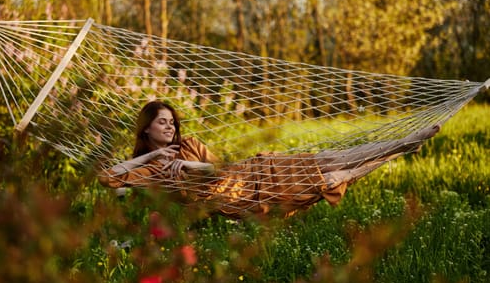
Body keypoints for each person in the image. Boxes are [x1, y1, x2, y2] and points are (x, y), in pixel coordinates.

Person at [98, 101, 440, 218]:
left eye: (172, 121)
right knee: (332, 179)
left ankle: (404, 141)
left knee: (333, 158)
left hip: (255, 171)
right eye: (162, 122)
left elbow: (219, 171)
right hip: (250, 199)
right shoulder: (148, 172)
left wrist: (190, 165)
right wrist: (156, 155)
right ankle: (401, 148)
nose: (170, 126)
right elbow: (107, 177)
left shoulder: (190, 144)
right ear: (146, 130)